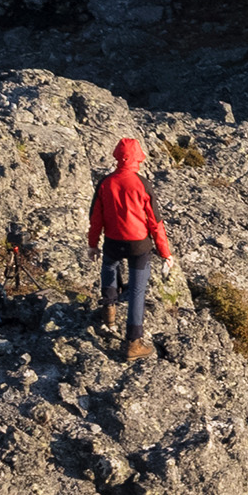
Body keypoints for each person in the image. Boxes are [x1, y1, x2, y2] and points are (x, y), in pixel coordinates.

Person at [86, 137, 173, 362]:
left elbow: (96, 217)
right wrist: (165, 253)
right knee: (137, 291)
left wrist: (92, 244)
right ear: (138, 158)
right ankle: (134, 342)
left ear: (117, 156)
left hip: (113, 241)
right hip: (139, 245)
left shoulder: (106, 182)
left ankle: (109, 311)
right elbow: (155, 221)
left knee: (109, 267)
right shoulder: (142, 183)